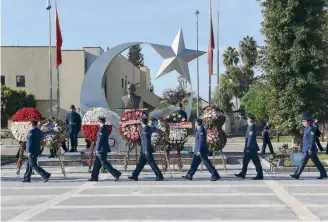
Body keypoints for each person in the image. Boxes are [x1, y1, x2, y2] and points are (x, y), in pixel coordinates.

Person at [128, 116, 164, 181]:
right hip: (144, 150)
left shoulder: (145, 129)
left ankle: (159, 176)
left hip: (146, 150)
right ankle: (135, 175)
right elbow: (157, 130)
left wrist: (146, 150)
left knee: (152, 163)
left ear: (142, 121)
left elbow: (146, 141)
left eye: (140, 121)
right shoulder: (146, 128)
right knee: (140, 164)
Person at [88, 116, 121, 181]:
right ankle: (94, 177)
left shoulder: (102, 129)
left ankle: (116, 174)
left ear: (100, 121)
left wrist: (97, 149)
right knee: (97, 164)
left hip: (101, 150)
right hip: (103, 149)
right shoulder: (105, 128)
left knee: (104, 163)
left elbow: (100, 140)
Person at [234, 113, 263, 180]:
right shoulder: (251, 126)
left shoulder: (251, 127)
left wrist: (248, 147)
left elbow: (250, 138)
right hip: (252, 148)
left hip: (250, 148)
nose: (246, 120)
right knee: (251, 161)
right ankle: (244, 173)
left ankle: (257, 174)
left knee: (252, 161)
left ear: (250, 120)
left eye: (247, 119)